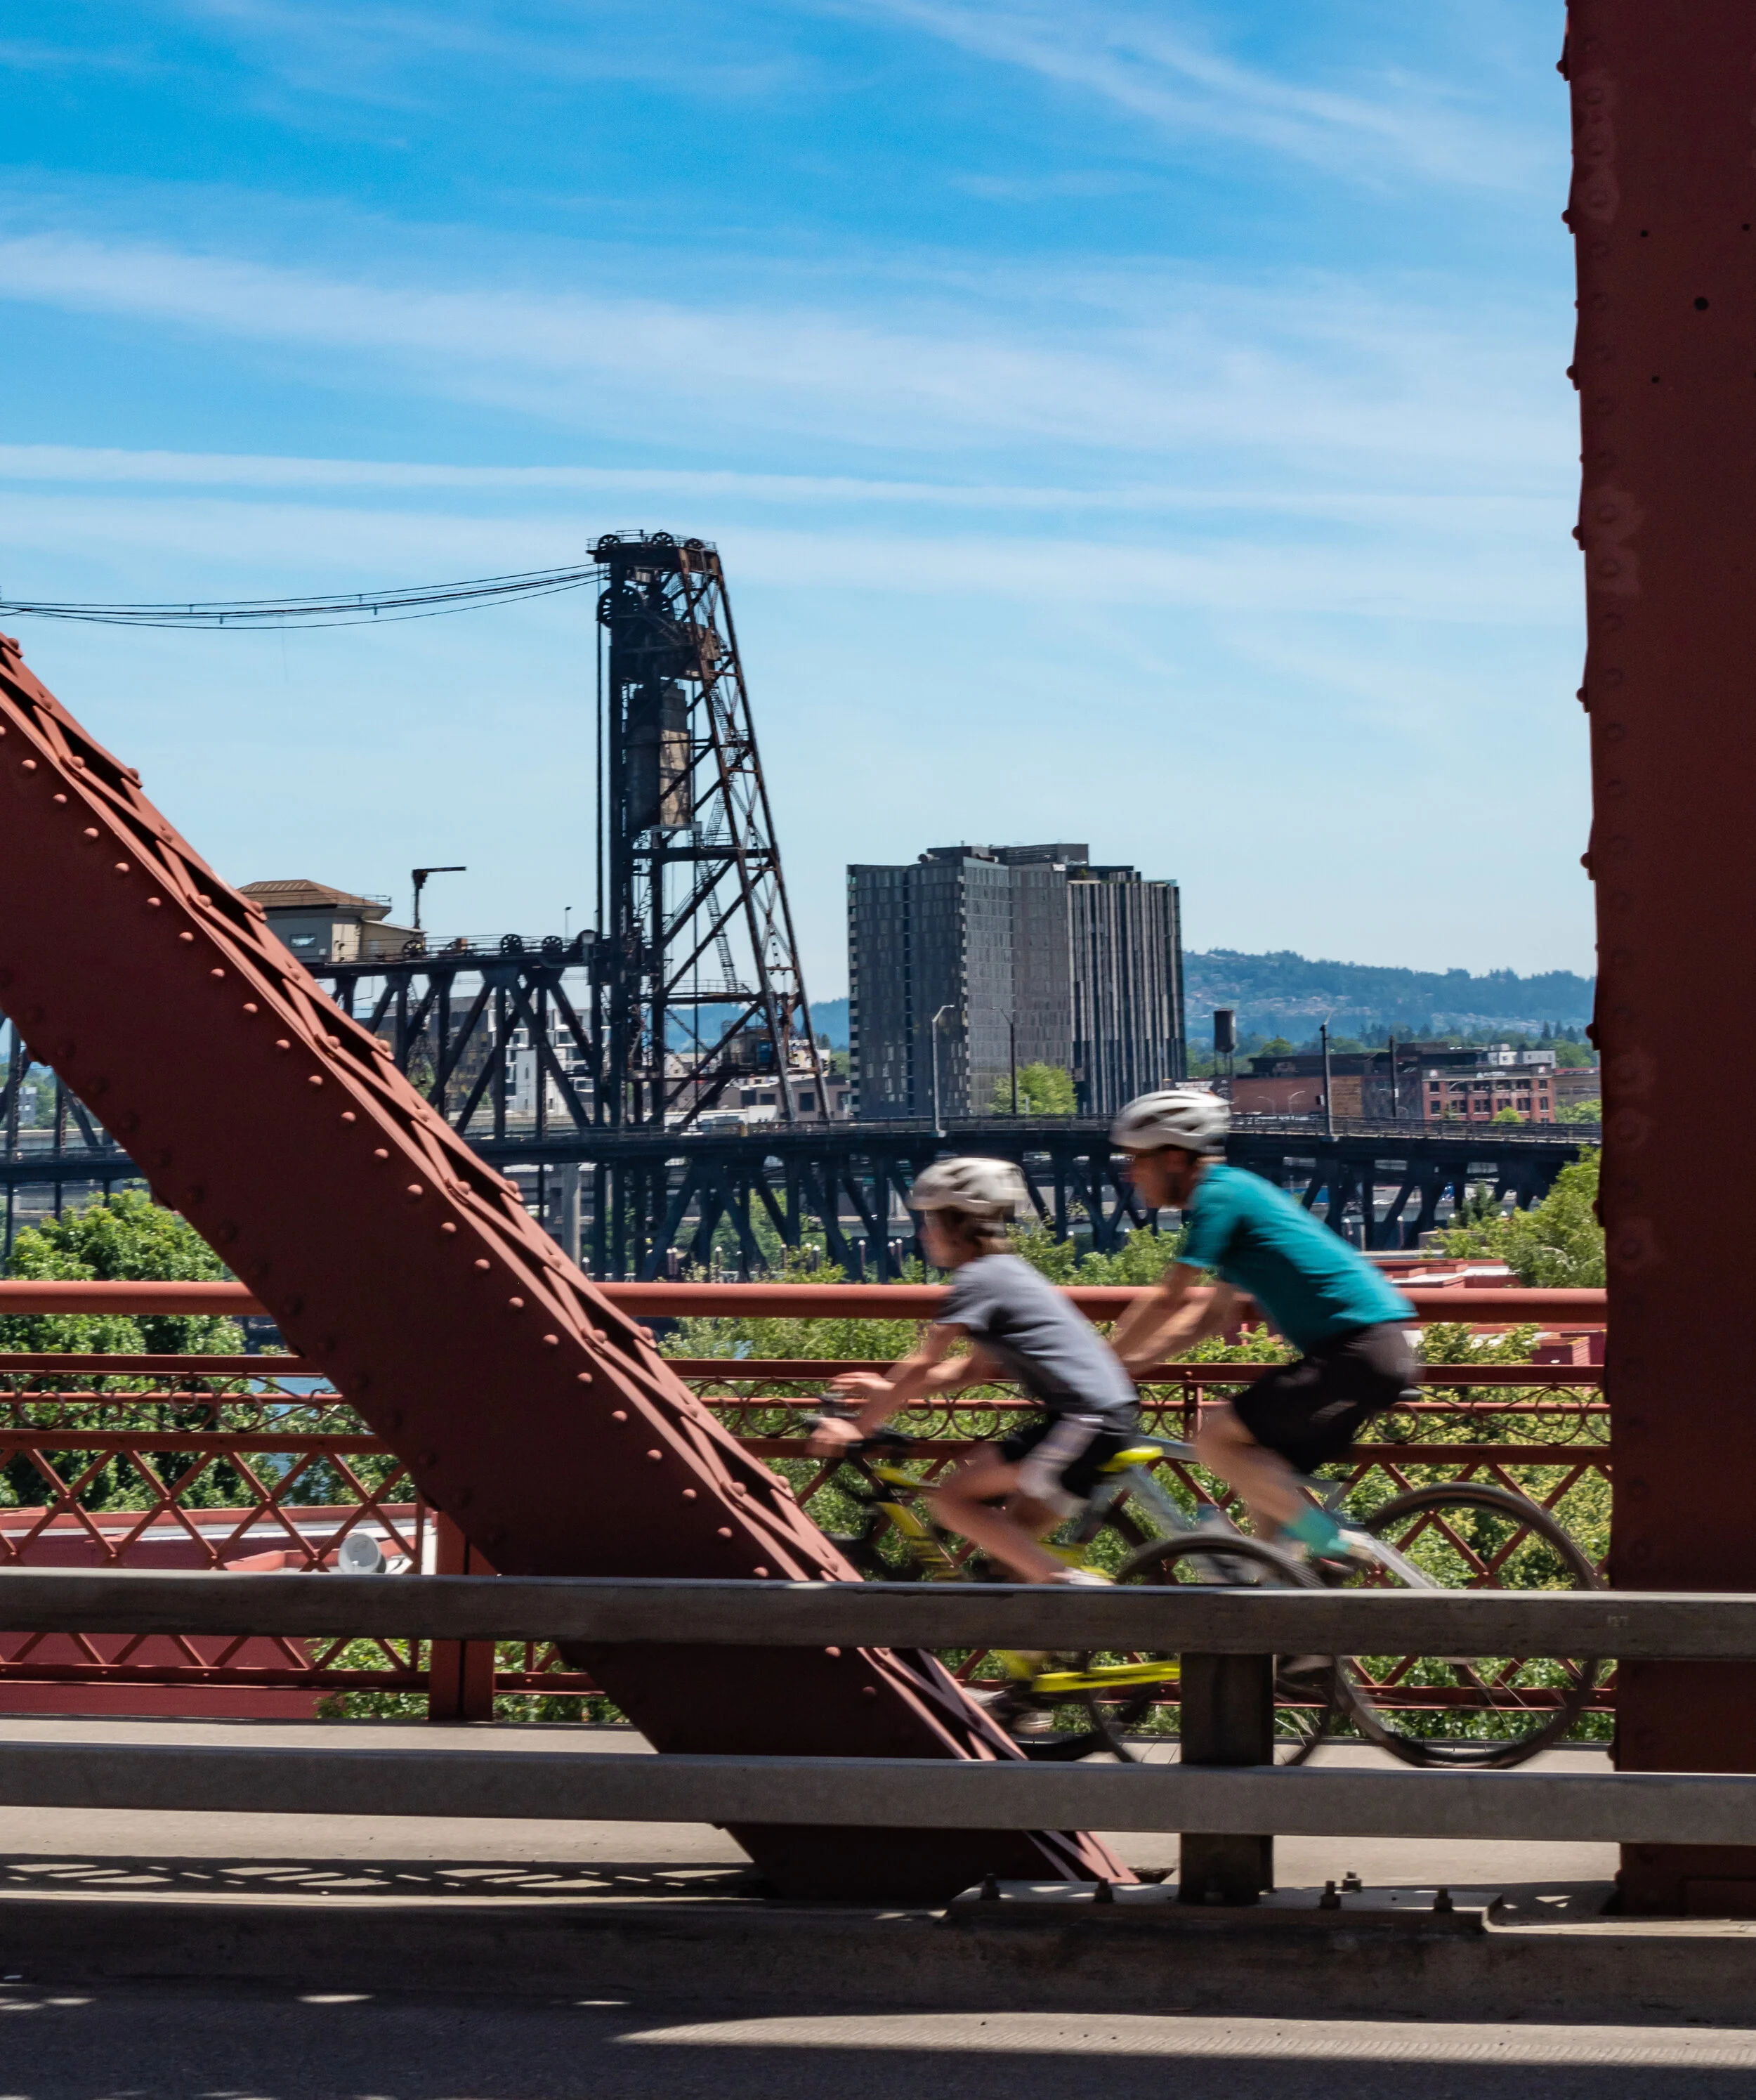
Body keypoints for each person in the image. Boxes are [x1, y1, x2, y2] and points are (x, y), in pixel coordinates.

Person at [1108, 1087, 1417, 1567]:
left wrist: (1102, 1361)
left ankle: (1333, 1543)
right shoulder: (1236, 1193)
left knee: (1215, 1439)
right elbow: (1214, 1315)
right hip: (1370, 1348)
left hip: (1355, 1350)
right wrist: (1132, 1364)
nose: (1130, 1173)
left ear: (1172, 1158)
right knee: (1262, 1473)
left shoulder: (1218, 1195)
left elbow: (1169, 1297)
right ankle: (1285, 1607)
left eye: (1137, 1159)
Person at [804, 1156, 1138, 1584]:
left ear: (959, 1224)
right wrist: (886, 1387)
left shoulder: (979, 1279)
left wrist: (861, 1428)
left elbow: (927, 1358)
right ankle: (1046, 1649)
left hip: (1085, 1420)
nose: (923, 1232)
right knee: (1010, 1556)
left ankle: (1072, 1588)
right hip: (1099, 1417)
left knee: (952, 1501)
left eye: (930, 1220)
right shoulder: (1006, 1273)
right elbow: (973, 1369)